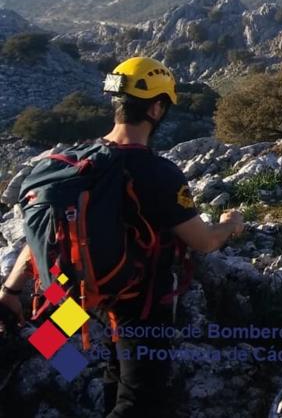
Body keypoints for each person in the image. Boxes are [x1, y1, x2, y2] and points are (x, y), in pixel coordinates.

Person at [0, 57, 245, 418]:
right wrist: (232, 223)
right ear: (157, 109)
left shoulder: (72, 161)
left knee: (70, 353)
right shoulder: (158, 172)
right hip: (138, 303)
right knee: (140, 399)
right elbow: (204, 242)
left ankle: (72, 383)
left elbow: (38, 235)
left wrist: (10, 290)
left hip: (77, 293)